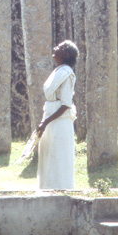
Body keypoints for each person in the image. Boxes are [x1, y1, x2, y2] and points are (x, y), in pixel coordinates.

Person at [36, 40, 79, 190]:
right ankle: (46, 190)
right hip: (50, 118)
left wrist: (45, 122)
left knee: (59, 157)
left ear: (66, 54)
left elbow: (66, 104)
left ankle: (61, 190)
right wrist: (45, 121)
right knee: (48, 156)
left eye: (59, 47)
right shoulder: (59, 70)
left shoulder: (67, 74)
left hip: (59, 122)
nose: (55, 48)